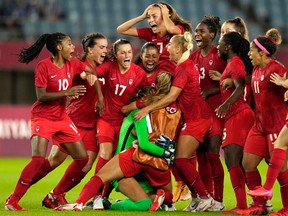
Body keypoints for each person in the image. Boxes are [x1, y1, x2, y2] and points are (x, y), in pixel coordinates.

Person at [56, 72, 181, 211]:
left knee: (106, 179)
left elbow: (143, 143)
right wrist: (168, 153)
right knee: (153, 202)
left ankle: (87, 203)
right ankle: (167, 201)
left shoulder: (141, 114)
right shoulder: (150, 114)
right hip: (140, 164)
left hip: (131, 160)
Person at [4, 32, 102, 211]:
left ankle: (56, 194)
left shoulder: (73, 64)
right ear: (58, 47)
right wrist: (67, 93)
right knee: (38, 161)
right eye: (69, 44)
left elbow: (91, 71)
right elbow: (41, 96)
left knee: (82, 158)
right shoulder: (44, 66)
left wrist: (89, 77)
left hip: (62, 117)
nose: (73, 47)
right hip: (43, 116)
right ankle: (13, 200)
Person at [133, 31, 216, 212]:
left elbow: (172, 96)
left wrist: (147, 108)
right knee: (179, 161)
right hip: (196, 117)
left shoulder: (184, 67)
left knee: (181, 160)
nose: (167, 48)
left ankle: (204, 197)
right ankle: (197, 197)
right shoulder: (185, 65)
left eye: (170, 45)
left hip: (198, 119)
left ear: (178, 48)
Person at [37, 33, 108, 209]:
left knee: (86, 164)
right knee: (53, 161)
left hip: (92, 124)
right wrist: (86, 76)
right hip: (74, 120)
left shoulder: (105, 67)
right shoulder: (76, 65)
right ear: (90, 50)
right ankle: (20, 190)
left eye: (106, 47)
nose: (105, 51)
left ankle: (55, 194)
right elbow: (83, 74)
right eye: (101, 47)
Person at [88, 38, 149, 207]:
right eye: (123, 52)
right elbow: (92, 72)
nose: (127, 55)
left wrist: (134, 105)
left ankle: (104, 196)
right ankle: (96, 196)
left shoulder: (139, 73)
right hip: (106, 119)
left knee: (116, 160)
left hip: (124, 124)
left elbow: (148, 95)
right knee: (105, 154)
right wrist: (87, 76)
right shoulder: (109, 68)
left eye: (129, 52)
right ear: (116, 55)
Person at [240, 29, 288, 216]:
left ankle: (286, 209)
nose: (249, 54)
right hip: (259, 126)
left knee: (282, 171)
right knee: (248, 163)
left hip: (276, 125)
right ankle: (260, 205)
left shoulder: (276, 67)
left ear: (261, 53)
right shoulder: (256, 69)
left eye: (251, 51)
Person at [214, 31, 255, 214]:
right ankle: (257, 204)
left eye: (220, 43)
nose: (218, 46)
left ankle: (243, 206)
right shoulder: (232, 63)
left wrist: (225, 104)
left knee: (232, 160)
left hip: (238, 114)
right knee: (240, 162)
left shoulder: (236, 62)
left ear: (228, 47)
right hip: (237, 116)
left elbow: (240, 87)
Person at [189, 15, 226, 211]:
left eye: (201, 31)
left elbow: (233, 84)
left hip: (215, 112)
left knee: (212, 156)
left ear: (212, 35)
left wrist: (212, 89)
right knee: (201, 157)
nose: (197, 34)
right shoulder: (193, 58)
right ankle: (207, 198)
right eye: (196, 31)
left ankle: (219, 200)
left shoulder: (219, 55)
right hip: (198, 114)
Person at [116, 1, 192, 74]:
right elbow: (121, 30)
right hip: (157, 76)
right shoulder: (150, 33)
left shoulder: (178, 29)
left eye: (154, 16)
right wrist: (142, 17)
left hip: (173, 75)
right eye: (148, 17)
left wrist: (165, 14)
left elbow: (171, 29)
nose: (150, 20)